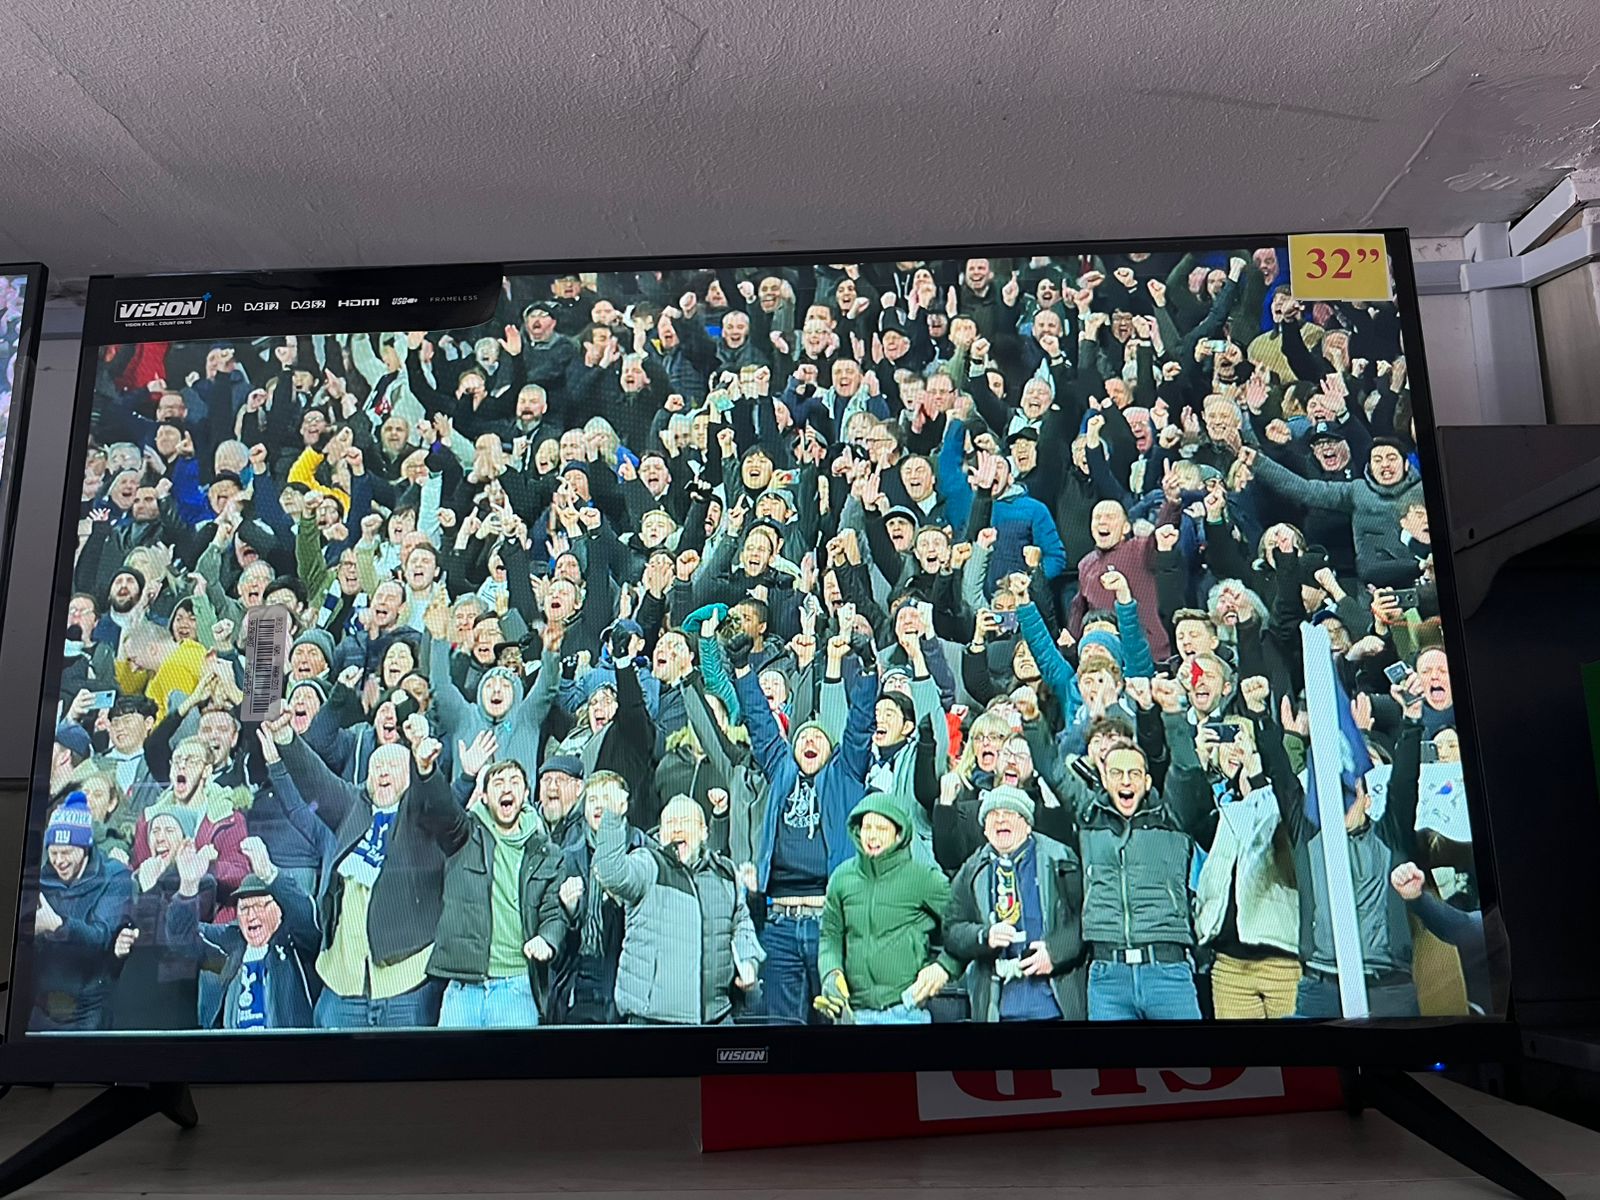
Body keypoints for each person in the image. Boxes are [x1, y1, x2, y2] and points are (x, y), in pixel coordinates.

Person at [426, 751, 568, 1028]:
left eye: (515, 782)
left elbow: (554, 910)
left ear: (525, 794)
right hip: (464, 989)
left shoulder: (546, 852)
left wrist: (547, 939)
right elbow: (439, 812)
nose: (507, 788)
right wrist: (466, 777)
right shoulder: (463, 836)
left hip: (516, 987)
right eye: (498, 782)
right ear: (484, 796)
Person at [592, 795, 763, 1025]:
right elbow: (612, 874)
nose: (677, 828)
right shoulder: (649, 864)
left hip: (717, 1017)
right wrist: (612, 819)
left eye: (685, 821)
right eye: (670, 823)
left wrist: (749, 962)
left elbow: (742, 926)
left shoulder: (725, 873)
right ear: (661, 834)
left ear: (703, 832)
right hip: (653, 1020)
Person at [939, 786, 1087, 1021]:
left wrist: (1055, 952)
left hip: (1056, 1007)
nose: (1000, 820)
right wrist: (983, 936)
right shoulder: (972, 869)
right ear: (985, 829)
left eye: (1009, 813)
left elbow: (1086, 919)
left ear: (1027, 825)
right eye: (993, 815)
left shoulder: (1061, 859)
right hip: (997, 1011)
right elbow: (952, 930)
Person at [815, 793, 951, 1024]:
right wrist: (830, 973)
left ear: (898, 834)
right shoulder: (842, 878)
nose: (872, 835)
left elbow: (961, 924)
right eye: (867, 827)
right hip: (854, 1014)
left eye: (881, 828)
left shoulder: (923, 878)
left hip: (906, 1011)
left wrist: (944, 966)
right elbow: (830, 935)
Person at [166, 836, 321, 1029]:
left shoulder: (295, 943)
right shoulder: (231, 943)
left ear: (280, 910)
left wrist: (270, 875)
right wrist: (188, 887)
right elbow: (182, 938)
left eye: (260, 906)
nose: (251, 915)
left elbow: (305, 916)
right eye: (244, 908)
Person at [31, 792, 132, 1031]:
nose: (59, 861)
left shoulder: (115, 877)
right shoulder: (39, 878)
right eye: (54, 852)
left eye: (67, 853)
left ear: (84, 847)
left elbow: (102, 937)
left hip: (89, 1008)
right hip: (41, 1006)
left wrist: (58, 926)